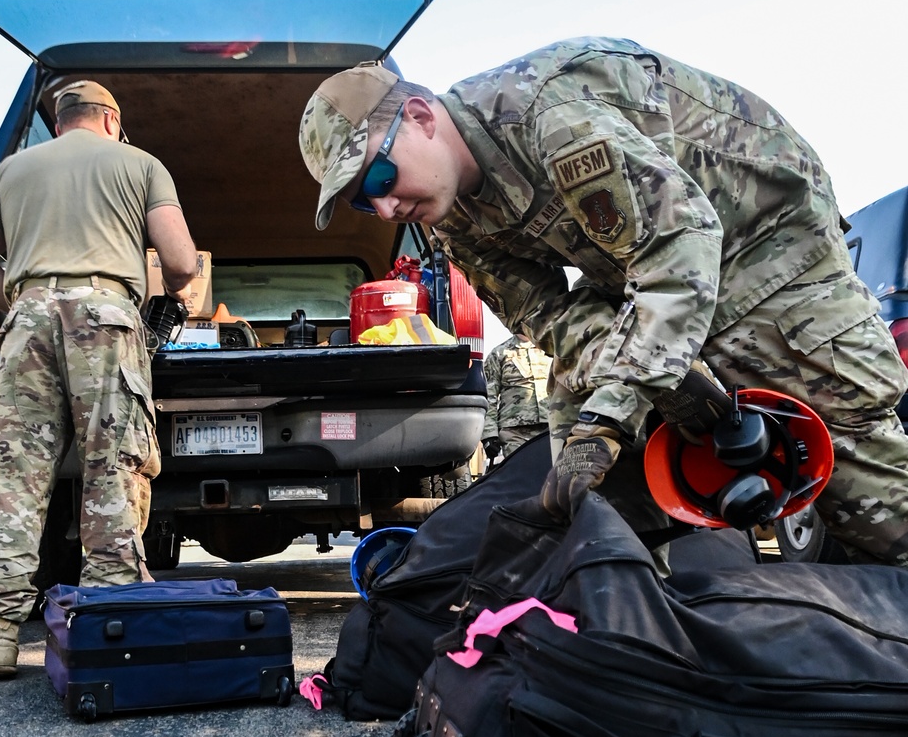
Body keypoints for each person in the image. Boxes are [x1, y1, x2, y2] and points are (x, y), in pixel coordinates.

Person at [298, 43, 908, 565]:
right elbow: (546, 315)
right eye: (361, 202)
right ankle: (627, 612)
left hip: (768, 250)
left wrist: (615, 409)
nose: (384, 209)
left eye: (378, 178)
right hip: (651, 275)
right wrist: (621, 396)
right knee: (580, 424)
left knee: (867, 496)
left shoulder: (548, 116)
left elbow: (679, 247)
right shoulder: (452, 218)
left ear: (422, 116)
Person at [0, 80, 197, 679]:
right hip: (106, 314)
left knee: (16, 478)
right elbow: (184, 262)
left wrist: (21, 306)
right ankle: (110, 618)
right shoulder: (140, 164)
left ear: (57, 122)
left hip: (28, 315)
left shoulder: (12, 170)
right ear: (112, 120)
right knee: (111, 467)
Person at [482, 333, 550, 462]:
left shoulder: (550, 349)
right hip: (515, 433)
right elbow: (489, 396)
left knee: (552, 477)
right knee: (521, 475)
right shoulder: (500, 353)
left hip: (550, 429)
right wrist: (489, 435)